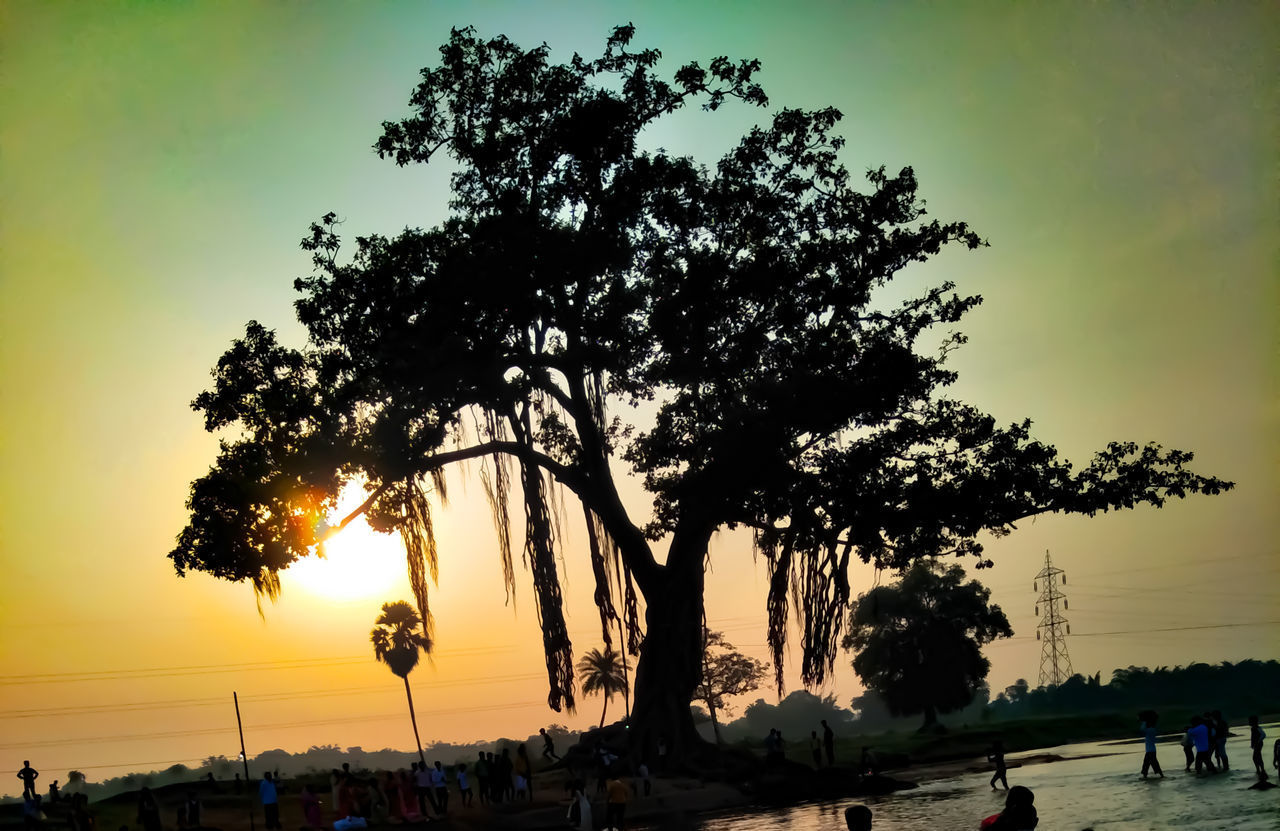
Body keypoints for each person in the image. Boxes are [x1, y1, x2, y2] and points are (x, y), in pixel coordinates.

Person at [1138, 710, 1163, 778]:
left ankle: (1160, 775)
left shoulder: (1149, 730)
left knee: (1150, 764)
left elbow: (1142, 729)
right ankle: (1159, 775)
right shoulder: (1152, 729)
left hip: (1150, 751)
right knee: (1149, 763)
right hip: (1151, 750)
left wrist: (1144, 721)